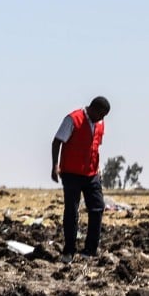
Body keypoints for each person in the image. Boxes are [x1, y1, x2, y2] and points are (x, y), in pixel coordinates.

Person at [51, 96, 111, 263]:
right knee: (72, 210)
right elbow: (57, 141)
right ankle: (69, 251)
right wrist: (55, 165)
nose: (103, 118)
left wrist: (97, 169)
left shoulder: (100, 124)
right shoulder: (73, 119)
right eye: (101, 114)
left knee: (97, 207)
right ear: (93, 108)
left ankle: (90, 250)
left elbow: (94, 147)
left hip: (91, 174)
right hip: (71, 173)